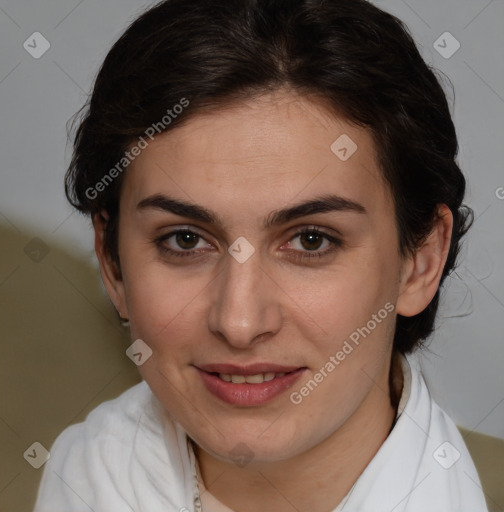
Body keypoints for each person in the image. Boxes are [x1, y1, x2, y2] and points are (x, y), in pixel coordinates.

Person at [33, 0, 489, 510]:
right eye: (184, 240)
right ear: (112, 263)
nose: (240, 322)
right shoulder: (84, 474)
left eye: (311, 240)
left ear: (420, 261)